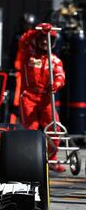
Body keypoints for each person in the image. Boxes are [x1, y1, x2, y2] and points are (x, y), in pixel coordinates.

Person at [18, 23, 66, 173]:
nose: (45, 42)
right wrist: (35, 32)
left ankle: (51, 159)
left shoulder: (55, 60)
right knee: (31, 130)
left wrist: (57, 84)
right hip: (29, 97)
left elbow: (60, 75)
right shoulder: (28, 55)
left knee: (54, 127)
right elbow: (23, 41)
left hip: (46, 98)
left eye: (48, 39)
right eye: (42, 39)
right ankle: (29, 160)